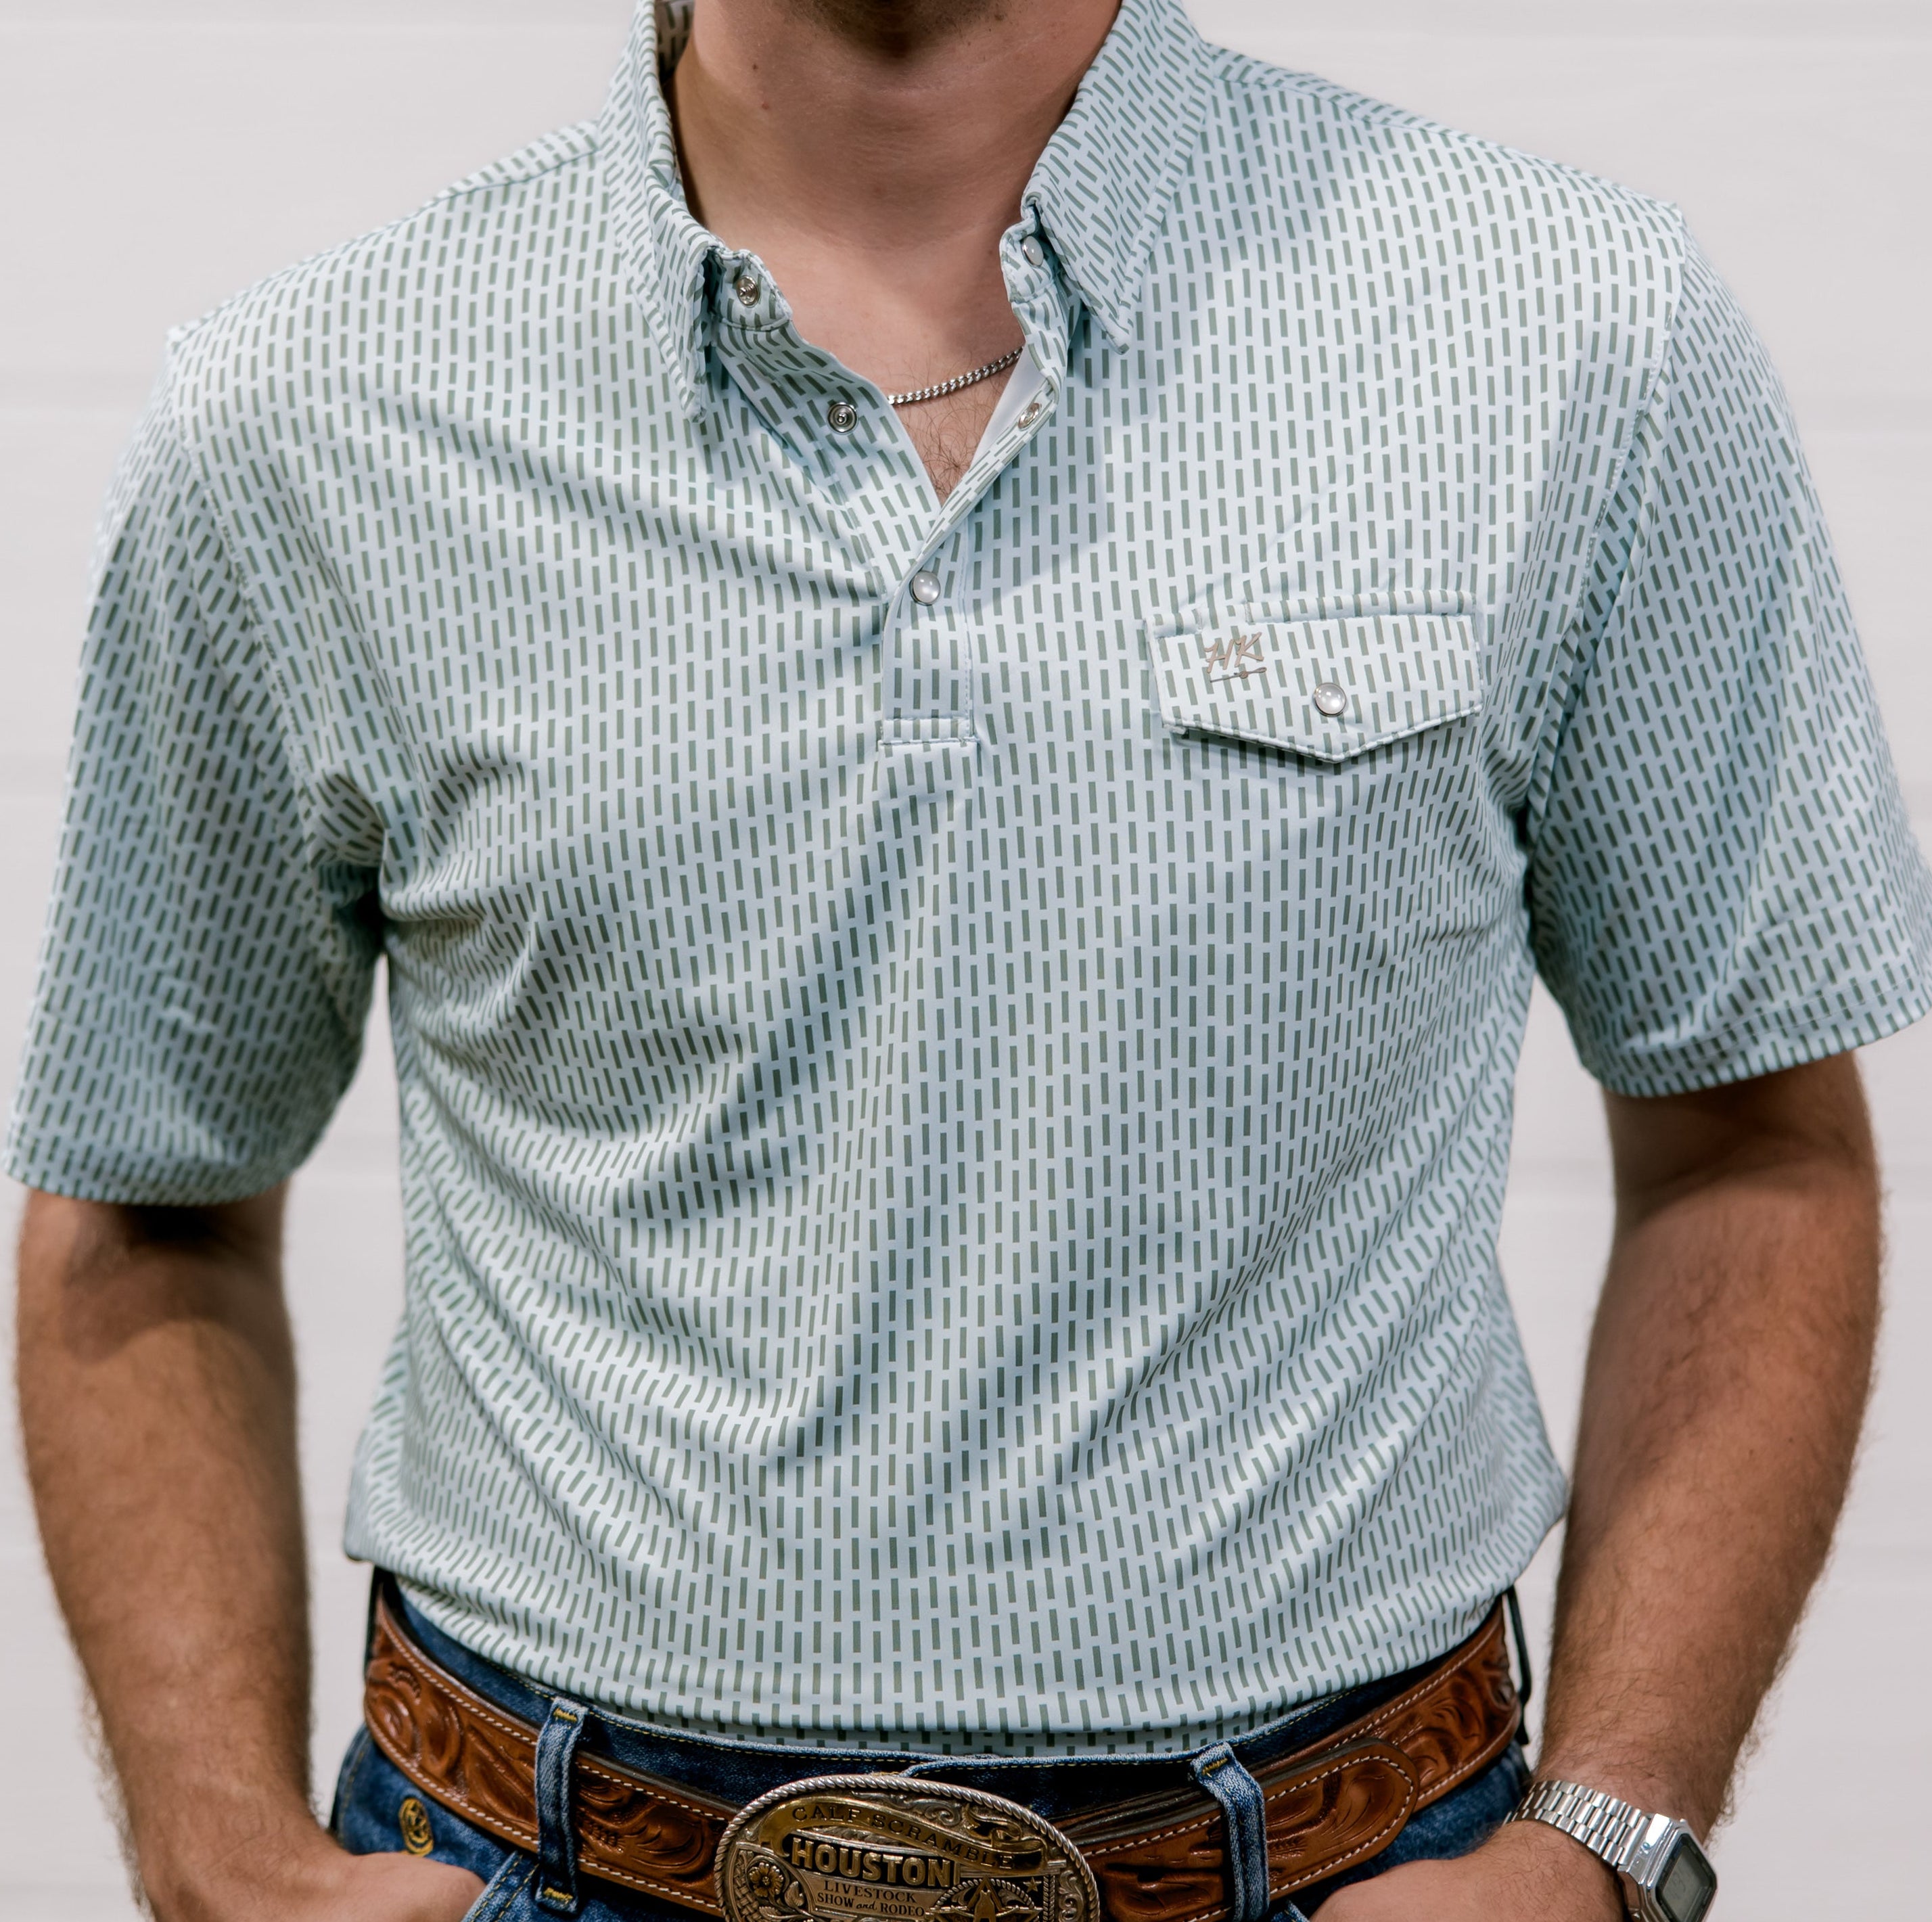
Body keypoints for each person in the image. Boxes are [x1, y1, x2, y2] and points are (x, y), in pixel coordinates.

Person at [10, 0, 1927, 1917]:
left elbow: (1755, 1148)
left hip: (1347, 1866)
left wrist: (1606, 1836)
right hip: (530, 1858)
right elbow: (143, 1213)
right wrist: (213, 1851)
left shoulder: (1562, 327)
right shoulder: (305, 411)